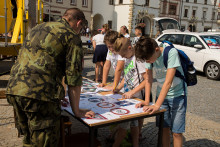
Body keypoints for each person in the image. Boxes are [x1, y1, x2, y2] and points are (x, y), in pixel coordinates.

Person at [6, 8, 95, 147]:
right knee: (45, 142)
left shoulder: (39, 27)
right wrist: (76, 111)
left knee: (29, 140)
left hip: (15, 89)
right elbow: (74, 77)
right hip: (40, 95)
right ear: (79, 23)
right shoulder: (71, 36)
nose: (81, 31)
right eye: (82, 28)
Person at [135, 36, 187, 147]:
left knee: (177, 132)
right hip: (161, 97)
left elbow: (168, 82)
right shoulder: (149, 55)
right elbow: (148, 79)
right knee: (164, 129)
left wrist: (157, 105)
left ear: (157, 49)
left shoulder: (171, 52)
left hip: (177, 96)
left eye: (148, 60)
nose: (148, 62)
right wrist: (147, 101)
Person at [112, 36, 147, 147]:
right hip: (128, 97)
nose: (121, 57)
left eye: (122, 54)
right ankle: (135, 145)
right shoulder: (127, 57)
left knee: (124, 125)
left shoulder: (139, 59)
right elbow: (126, 76)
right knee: (133, 123)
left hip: (136, 98)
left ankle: (115, 145)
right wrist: (118, 87)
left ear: (129, 48)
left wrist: (132, 92)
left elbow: (147, 80)